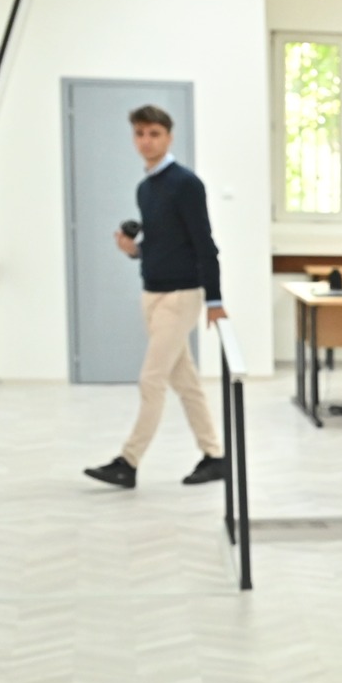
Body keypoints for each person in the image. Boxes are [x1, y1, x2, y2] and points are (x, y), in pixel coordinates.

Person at [84, 105, 228, 489]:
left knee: (151, 380)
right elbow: (163, 244)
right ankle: (215, 456)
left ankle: (128, 462)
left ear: (169, 136)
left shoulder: (186, 184)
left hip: (181, 297)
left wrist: (214, 301)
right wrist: (134, 250)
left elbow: (204, 245)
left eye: (154, 134)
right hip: (152, 294)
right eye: (140, 134)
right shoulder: (145, 188)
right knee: (186, 382)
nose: (146, 141)